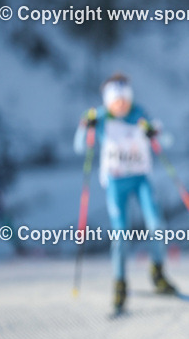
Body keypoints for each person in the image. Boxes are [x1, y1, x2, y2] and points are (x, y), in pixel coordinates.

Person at [74, 73, 177, 313]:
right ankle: (120, 283)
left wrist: (155, 132)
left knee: (157, 225)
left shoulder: (139, 115)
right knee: (121, 233)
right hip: (116, 182)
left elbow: (168, 140)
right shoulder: (100, 117)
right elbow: (80, 146)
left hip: (141, 180)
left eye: (124, 99)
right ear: (108, 101)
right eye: (116, 100)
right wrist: (84, 126)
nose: (121, 104)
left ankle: (158, 272)